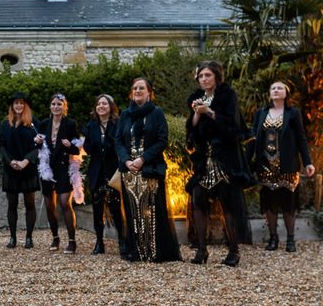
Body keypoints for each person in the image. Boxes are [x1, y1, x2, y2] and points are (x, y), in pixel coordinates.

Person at [186, 60, 253, 267]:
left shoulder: (227, 95)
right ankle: (201, 250)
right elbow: (192, 132)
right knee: (197, 200)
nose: (204, 79)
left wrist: (210, 112)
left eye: (207, 75)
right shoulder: (197, 99)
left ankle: (233, 250)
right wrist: (197, 114)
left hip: (224, 158)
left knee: (228, 204)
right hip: (203, 160)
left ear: (216, 76)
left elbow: (233, 126)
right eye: (200, 76)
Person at [115, 78, 181, 263]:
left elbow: (162, 140)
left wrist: (143, 159)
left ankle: (155, 252)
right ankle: (137, 252)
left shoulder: (156, 113)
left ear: (149, 92)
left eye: (141, 88)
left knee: (152, 210)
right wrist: (126, 160)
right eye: (135, 87)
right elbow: (118, 140)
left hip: (150, 168)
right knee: (133, 211)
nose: (137, 90)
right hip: (129, 171)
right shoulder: (125, 115)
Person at [247, 81, 316, 252]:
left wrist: (308, 162)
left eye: (279, 88)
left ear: (286, 93)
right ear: (269, 93)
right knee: (269, 203)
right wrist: (246, 162)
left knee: (288, 202)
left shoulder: (293, 113)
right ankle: (273, 238)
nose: (276, 90)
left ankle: (291, 240)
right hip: (265, 164)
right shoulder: (261, 113)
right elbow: (252, 139)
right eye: (272, 88)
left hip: (287, 165)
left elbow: (301, 138)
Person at [34, 93, 81, 254]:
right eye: (53, 104)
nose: (56, 107)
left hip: (63, 167)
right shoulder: (44, 124)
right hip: (47, 168)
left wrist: (69, 146)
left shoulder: (70, 124)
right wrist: (38, 143)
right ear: (50, 106)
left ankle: (72, 241)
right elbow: (40, 148)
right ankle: (55, 238)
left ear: (64, 107)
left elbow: (77, 149)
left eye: (59, 104)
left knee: (64, 202)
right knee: (49, 204)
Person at [83, 94, 126, 256]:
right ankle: (99, 242)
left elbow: (120, 144)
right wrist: (92, 144)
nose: (101, 106)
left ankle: (122, 240)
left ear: (111, 107)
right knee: (97, 208)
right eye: (99, 104)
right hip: (96, 171)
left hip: (113, 170)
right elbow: (87, 148)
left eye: (105, 104)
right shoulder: (91, 125)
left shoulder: (118, 123)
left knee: (115, 206)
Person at [0, 92, 40, 249]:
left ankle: (29, 237)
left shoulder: (33, 123)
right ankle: (12, 237)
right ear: (12, 106)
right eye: (16, 103)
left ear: (25, 105)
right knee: (12, 204)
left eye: (21, 103)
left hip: (28, 168)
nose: (19, 105)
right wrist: (10, 162)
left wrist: (25, 161)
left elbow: (39, 147)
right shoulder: (5, 124)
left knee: (30, 203)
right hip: (11, 169)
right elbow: (1, 145)